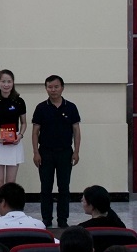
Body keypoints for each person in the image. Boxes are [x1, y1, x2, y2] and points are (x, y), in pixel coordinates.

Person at [32, 74, 81, 229]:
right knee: (45, 187)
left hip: (65, 152)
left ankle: (62, 219)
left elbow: (76, 131)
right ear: (46, 88)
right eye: (50, 87)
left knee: (64, 188)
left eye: (56, 87)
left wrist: (76, 151)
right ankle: (46, 219)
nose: (53, 90)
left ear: (62, 88)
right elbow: (35, 132)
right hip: (45, 152)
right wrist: (36, 152)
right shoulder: (41, 108)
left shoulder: (71, 107)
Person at [0, 69, 27, 203]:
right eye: (3, 81)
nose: (6, 85)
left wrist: (20, 135)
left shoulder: (19, 101)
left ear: (13, 83)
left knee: (11, 182)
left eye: (9, 81)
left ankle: (10, 210)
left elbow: (24, 123)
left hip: (14, 142)